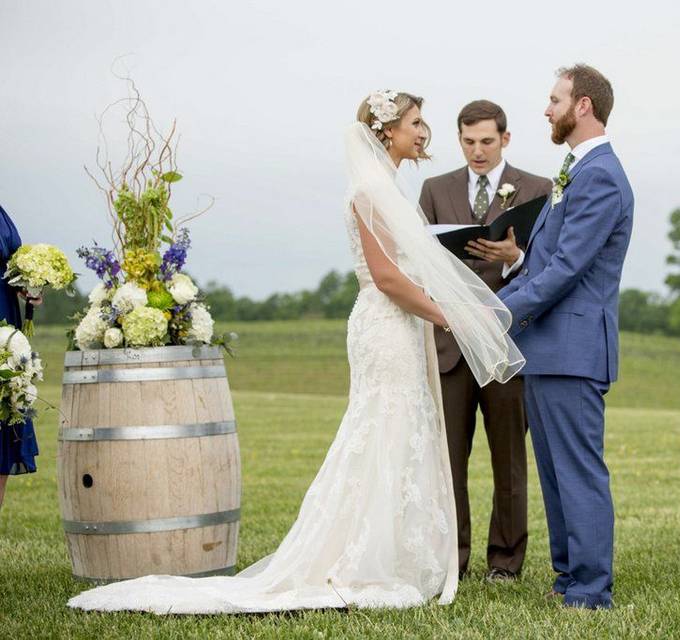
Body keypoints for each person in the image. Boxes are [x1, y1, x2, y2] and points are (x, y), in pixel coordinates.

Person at [68, 91, 524, 614]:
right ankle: (361, 560)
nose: (424, 133)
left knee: (401, 432)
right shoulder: (371, 191)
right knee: (382, 428)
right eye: (415, 123)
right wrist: (451, 314)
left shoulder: (391, 187)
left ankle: (394, 553)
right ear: (386, 132)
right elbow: (388, 278)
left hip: (401, 326)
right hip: (385, 324)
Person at [494, 64, 634, 610]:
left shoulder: (599, 174)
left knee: (577, 474)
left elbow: (567, 270)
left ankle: (591, 589)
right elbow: (546, 261)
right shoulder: (576, 169)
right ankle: (567, 578)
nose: (546, 109)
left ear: (583, 106)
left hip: (574, 350)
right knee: (554, 476)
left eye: (554, 99)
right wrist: (506, 286)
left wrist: (495, 314)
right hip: (548, 349)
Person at [419, 99, 551, 582]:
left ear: (506, 139)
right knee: (448, 460)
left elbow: (552, 266)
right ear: (459, 139)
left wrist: (515, 257)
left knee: (510, 460)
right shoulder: (434, 189)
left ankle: (506, 562)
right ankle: (451, 559)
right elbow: (418, 260)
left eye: (487, 142)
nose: (478, 151)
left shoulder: (538, 189)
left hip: (507, 344)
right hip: (450, 345)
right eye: (469, 142)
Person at [0, 203, 41, 511]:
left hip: (5, 327)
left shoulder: (2, 214)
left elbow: (11, 269)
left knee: (4, 426)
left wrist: (28, 288)